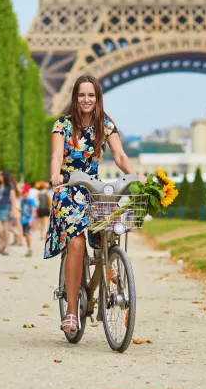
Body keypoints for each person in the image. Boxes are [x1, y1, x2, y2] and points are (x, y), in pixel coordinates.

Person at [45, 75, 137, 333]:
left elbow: (119, 155)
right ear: (74, 97)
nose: (86, 100)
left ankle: (107, 275)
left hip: (94, 190)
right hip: (68, 188)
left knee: (107, 236)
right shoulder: (62, 125)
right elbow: (55, 155)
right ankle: (72, 311)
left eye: (91, 95)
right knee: (75, 243)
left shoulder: (105, 125)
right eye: (82, 95)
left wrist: (135, 177)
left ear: (98, 98)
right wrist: (55, 175)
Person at [0, 170, 18, 255]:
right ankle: (2, 241)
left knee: (6, 228)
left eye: (1, 175)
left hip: (6, 207)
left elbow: (13, 197)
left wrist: (13, 209)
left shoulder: (9, 185)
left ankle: (5, 247)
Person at [20, 183, 38, 258]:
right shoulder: (22, 201)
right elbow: (21, 210)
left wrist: (31, 219)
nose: (24, 194)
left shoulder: (31, 200)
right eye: (23, 193)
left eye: (25, 193)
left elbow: (34, 210)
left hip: (28, 220)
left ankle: (30, 249)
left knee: (27, 233)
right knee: (25, 234)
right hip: (23, 220)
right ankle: (29, 249)